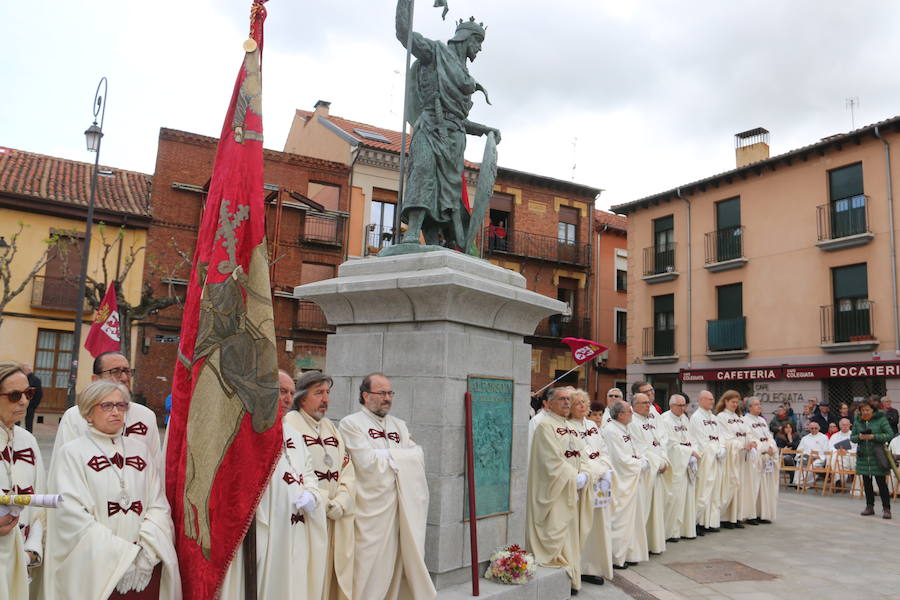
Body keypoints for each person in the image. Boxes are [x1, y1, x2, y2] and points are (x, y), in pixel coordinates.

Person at [44, 379, 180, 599]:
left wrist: (146, 553)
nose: (116, 411)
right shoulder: (72, 453)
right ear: (88, 412)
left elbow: (158, 504)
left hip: (144, 567)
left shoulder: (141, 451)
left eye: (122, 405)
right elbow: (70, 514)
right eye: (107, 405)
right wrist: (119, 557)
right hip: (96, 567)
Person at [394, 0, 501, 248]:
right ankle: (412, 233)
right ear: (466, 38)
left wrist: (485, 130)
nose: (480, 49)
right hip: (430, 127)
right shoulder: (435, 53)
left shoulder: (466, 76)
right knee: (422, 172)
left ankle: (432, 238)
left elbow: (460, 119)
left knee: (446, 194)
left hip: (454, 139)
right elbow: (404, 33)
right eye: (478, 43)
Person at [220, 371, 327, 600]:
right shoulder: (249, 430)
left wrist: (311, 494)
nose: (288, 399)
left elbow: (308, 472)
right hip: (267, 529)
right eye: (281, 392)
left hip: (295, 530)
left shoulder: (295, 435)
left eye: (291, 393)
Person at [338, 373, 435, 600]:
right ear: (365, 395)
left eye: (390, 393)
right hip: (370, 513)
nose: (388, 398)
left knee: (397, 565)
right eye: (382, 393)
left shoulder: (398, 425)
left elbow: (419, 456)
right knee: (367, 568)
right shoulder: (351, 424)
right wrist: (401, 457)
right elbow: (367, 464)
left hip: (401, 510)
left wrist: (387, 455)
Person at [285, 371, 356, 600]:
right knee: (307, 578)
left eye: (327, 393)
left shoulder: (331, 428)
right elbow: (291, 471)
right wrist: (324, 501)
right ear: (302, 398)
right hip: (307, 518)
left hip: (336, 518)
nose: (326, 399)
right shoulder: (290, 426)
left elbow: (347, 468)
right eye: (319, 393)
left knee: (330, 577)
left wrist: (343, 500)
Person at [526, 387, 602, 595]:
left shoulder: (570, 425)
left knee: (573, 535)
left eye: (568, 399)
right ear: (549, 403)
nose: (567, 403)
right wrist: (572, 476)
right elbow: (550, 461)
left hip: (573, 490)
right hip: (556, 491)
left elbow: (583, 454)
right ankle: (561, 575)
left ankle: (572, 575)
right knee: (558, 532)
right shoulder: (544, 426)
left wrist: (586, 473)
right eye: (561, 399)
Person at [51, 351, 161, 472]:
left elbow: (156, 466)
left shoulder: (146, 416)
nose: (124, 378)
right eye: (115, 372)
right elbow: (62, 467)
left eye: (127, 371)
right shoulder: (74, 416)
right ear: (95, 379)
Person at [0, 362, 46, 600]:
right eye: (14, 395)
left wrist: (32, 551)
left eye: (29, 394)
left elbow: (39, 505)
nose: (24, 402)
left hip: (22, 561)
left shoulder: (27, 441)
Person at [568, 390, 612, 586]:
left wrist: (605, 468)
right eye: (579, 403)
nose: (583, 407)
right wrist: (596, 471)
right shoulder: (567, 426)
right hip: (582, 483)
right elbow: (579, 457)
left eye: (585, 403)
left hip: (599, 480)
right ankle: (575, 569)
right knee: (579, 527)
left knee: (596, 528)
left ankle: (590, 566)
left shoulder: (592, 426)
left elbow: (602, 449)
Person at [601, 401, 648, 570]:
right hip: (621, 481)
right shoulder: (611, 431)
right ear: (620, 415)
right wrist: (638, 464)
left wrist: (642, 458)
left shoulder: (625, 429)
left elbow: (633, 449)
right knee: (620, 518)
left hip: (631, 479)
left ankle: (628, 553)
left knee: (631, 519)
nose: (632, 414)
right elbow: (619, 458)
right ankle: (615, 556)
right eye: (630, 411)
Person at [629, 393, 669, 555]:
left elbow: (660, 441)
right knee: (644, 510)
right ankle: (641, 546)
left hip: (656, 470)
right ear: (634, 405)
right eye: (644, 403)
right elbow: (640, 448)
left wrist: (664, 458)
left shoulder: (649, 421)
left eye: (649, 403)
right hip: (646, 472)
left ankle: (653, 543)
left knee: (656, 509)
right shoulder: (632, 423)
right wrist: (657, 462)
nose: (648, 405)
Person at [660, 394, 698, 542]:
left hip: (686, 463)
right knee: (673, 498)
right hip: (675, 465)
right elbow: (669, 444)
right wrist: (689, 452)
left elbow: (691, 438)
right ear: (671, 405)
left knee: (686, 498)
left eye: (684, 405)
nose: (683, 408)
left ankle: (683, 529)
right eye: (679, 406)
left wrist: (693, 451)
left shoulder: (684, 419)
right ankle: (670, 531)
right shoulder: (665, 419)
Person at [713, 390, 754, 528]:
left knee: (741, 487)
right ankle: (726, 518)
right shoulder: (721, 417)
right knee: (731, 485)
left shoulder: (739, 417)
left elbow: (748, 432)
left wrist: (752, 442)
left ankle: (736, 517)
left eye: (737, 402)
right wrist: (741, 445)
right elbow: (725, 437)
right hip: (732, 457)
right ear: (725, 401)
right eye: (733, 402)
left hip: (742, 457)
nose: (735, 405)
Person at [689, 390, 725, 534]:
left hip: (716, 459)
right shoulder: (696, 418)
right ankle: (697, 521)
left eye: (712, 399)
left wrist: (722, 448)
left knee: (714, 491)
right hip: (705, 459)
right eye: (709, 399)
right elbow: (700, 439)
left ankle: (710, 522)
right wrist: (714, 450)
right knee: (702, 491)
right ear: (701, 400)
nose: (712, 401)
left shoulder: (714, 418)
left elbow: (719, 436)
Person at [852, 398, 893, 519]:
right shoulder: (857, 421)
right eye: (862, 410)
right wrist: (859, 436)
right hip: (864, 456)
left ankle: (887, 509)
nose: (865, 412)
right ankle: (869, 506)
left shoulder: (881, 419)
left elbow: (889, 434)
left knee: (881, 484)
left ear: (873, 410)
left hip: (878, 455)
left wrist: (874, 436)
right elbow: (852, 437)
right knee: (867, 483)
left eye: (867, 410)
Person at [741, 397, 778, 525]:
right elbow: (750, 438)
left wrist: (772, 447)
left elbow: (769, 436)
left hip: (767, 457)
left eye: (759, 404)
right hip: (756, 458)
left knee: (765, 487)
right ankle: (751, 514)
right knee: (754, 486)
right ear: (749, 407)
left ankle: (763, 513)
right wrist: (763, 448)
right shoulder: (744, 420)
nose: (759, 407)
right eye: (756, 405)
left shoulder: (762, 420)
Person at [794, 421, 830, 486]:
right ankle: (798, 482)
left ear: (819, 428)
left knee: (812, 466)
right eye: (812, 428)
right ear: (809, 429)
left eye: (815, 428)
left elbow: (826, 451)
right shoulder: (805, 438)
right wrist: (801, 456)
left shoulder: (824, 437)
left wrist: (817, 457)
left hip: (818, 459)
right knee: (800, 462)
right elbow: (799, 450)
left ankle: (803, 483)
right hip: (806, 457)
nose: (814, 430)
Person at [21, 364, 42, 433]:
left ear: (28, 370)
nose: (22, 371)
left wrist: (33, 405)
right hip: (23, 404)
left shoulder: (35, 380)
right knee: (18, 420)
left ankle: (28, 435)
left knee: (28, 422)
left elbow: (39, 394)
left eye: (23, 369)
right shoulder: (22, 378)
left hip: (30, 404)